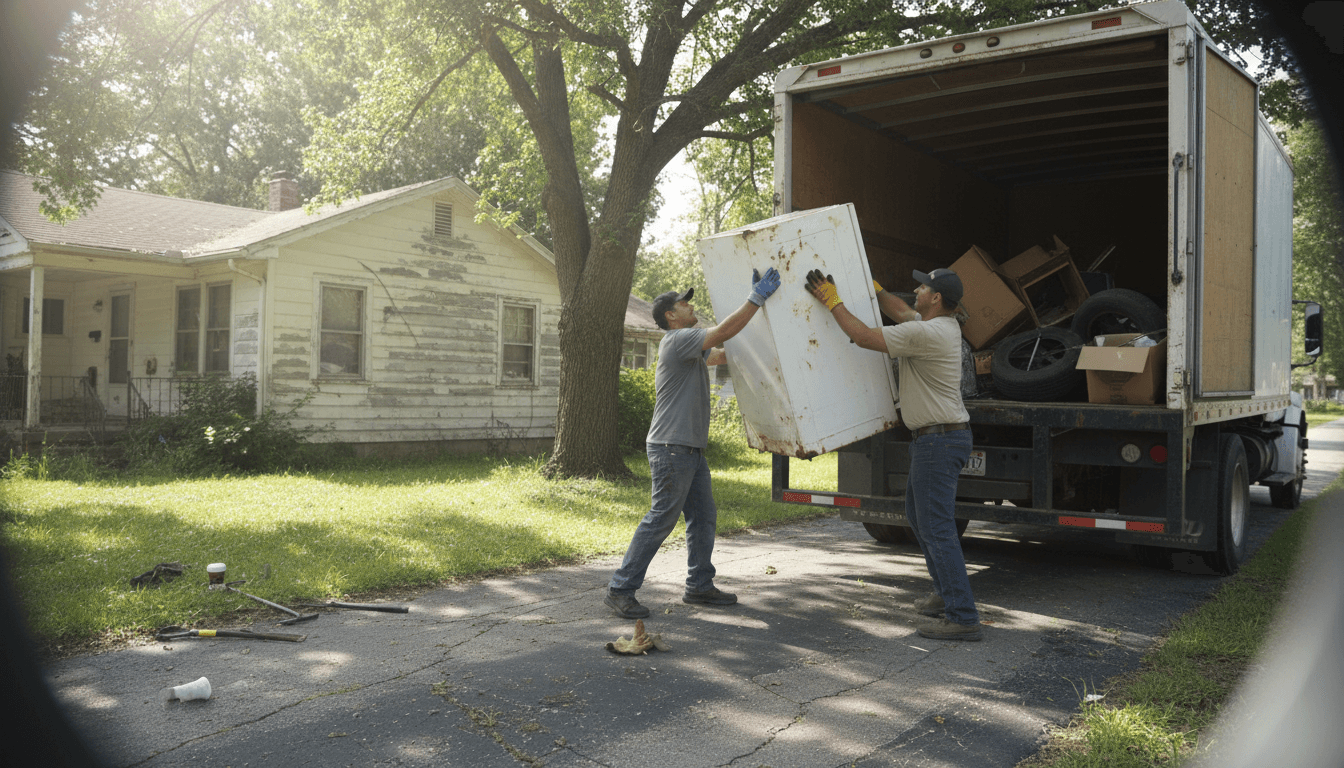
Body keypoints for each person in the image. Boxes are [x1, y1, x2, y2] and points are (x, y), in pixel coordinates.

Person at [805, 267, 982, 641]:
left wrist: (833, 301)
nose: (915, 289)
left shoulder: (927, 332)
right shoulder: (937, 324)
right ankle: (945, 594)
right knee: (919, 518)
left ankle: (963, 617)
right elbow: (900, 311)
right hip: (935, 439)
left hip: (938, 441)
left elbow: (864, 336)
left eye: (923, 287)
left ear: (936, 298)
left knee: (936, 526)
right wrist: (875, 286)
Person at [606, 267, 782, 619]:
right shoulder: (677, 340)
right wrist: (756, 298)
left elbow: (722, 353)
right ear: (671, 316)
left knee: (703, 517)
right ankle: (621, 588)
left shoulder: (689, 348)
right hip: (672, 448)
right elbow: (723, 332)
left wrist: (770, 338)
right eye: (684, 304)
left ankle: (699, 586)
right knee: (661, 518)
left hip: (688, 449)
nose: (690, 306)